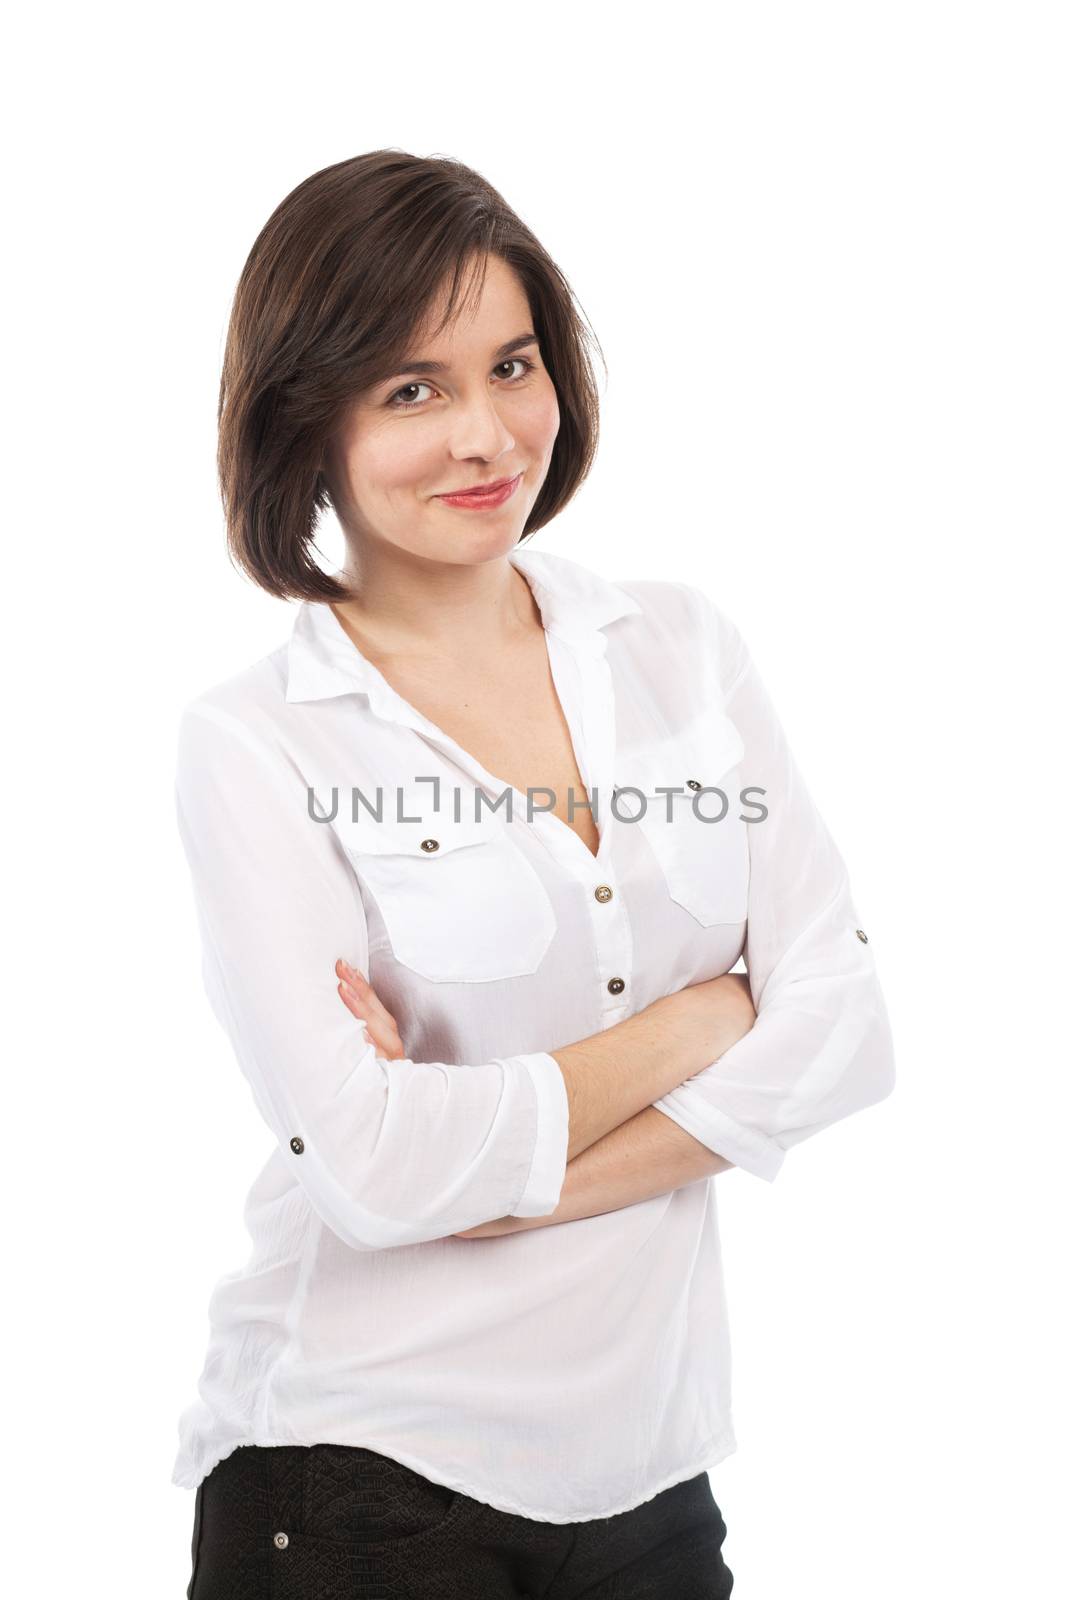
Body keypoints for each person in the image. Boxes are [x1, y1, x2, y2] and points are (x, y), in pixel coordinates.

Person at [174, 149, 896, 1599]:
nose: (487, 434)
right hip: (357, 1485)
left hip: (648, 1479)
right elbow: (371, 1166)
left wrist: (517, 1185)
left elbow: (848, 1031)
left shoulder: (681, 649)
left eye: (511, 363)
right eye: (410, 390)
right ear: (304, 423)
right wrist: (697, 1025)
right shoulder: (256, 744)